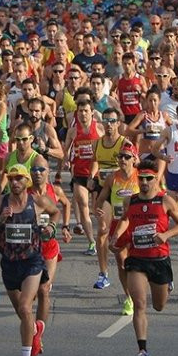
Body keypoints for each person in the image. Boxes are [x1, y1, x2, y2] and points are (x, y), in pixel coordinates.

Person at [0, 164, 60, 356]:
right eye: (11, 178)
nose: (14, 183)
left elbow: (55, 212)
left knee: (26, 306)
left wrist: (51, 228)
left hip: (32, 261)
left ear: (27, 181)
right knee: (22, 312)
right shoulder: (0, 202)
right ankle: (36, 329)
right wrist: (0, 221)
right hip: (9, 264)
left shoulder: (37, 202)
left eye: (19, 179)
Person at [111, 159, 178, 356]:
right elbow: (125, 220)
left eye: (148, 179)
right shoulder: (131, 201)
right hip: (136, 259)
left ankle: (167, 285)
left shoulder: (166, 201)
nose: (144, 182)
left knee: (159, 305)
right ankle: (142, 350)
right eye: (141, 178)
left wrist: (166, 234)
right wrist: (116, 238)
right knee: (139, 304)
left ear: (156, 180)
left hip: (159, 260)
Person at [28, 156, 72, 325]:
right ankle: (30, 325)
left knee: (44, 289)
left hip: (49, 246)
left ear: (49, 172)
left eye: (41, 170)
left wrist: (65, 227)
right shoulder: (25, 193)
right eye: (34, 170)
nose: (37, 173)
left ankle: (39, 331)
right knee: (30, 296)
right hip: (30, 247)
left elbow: (67, 204)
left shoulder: (56, 191)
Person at [96, 142, 139, 315]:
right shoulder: (112, 178)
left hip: (136, 225)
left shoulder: (141, 176)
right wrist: (100, 214)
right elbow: (100, 201)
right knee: (122, 262)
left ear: (134, 159)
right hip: (117, 223)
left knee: (138, 262)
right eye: (120, 156)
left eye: (126, 156)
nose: (122, 159)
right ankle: (129, 297)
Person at [62, 99, 104, 256]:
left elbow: (108, 147)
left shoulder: (99, 128)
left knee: (97, 209)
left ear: (92, 112)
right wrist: (66, 160)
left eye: (86, 111)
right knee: (83, 204)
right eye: (80, 111)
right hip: (79, 174)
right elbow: (65, 150)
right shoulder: (72, 131)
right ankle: (92, 241)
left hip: (98, 175)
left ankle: (103, 237)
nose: (83, 114)